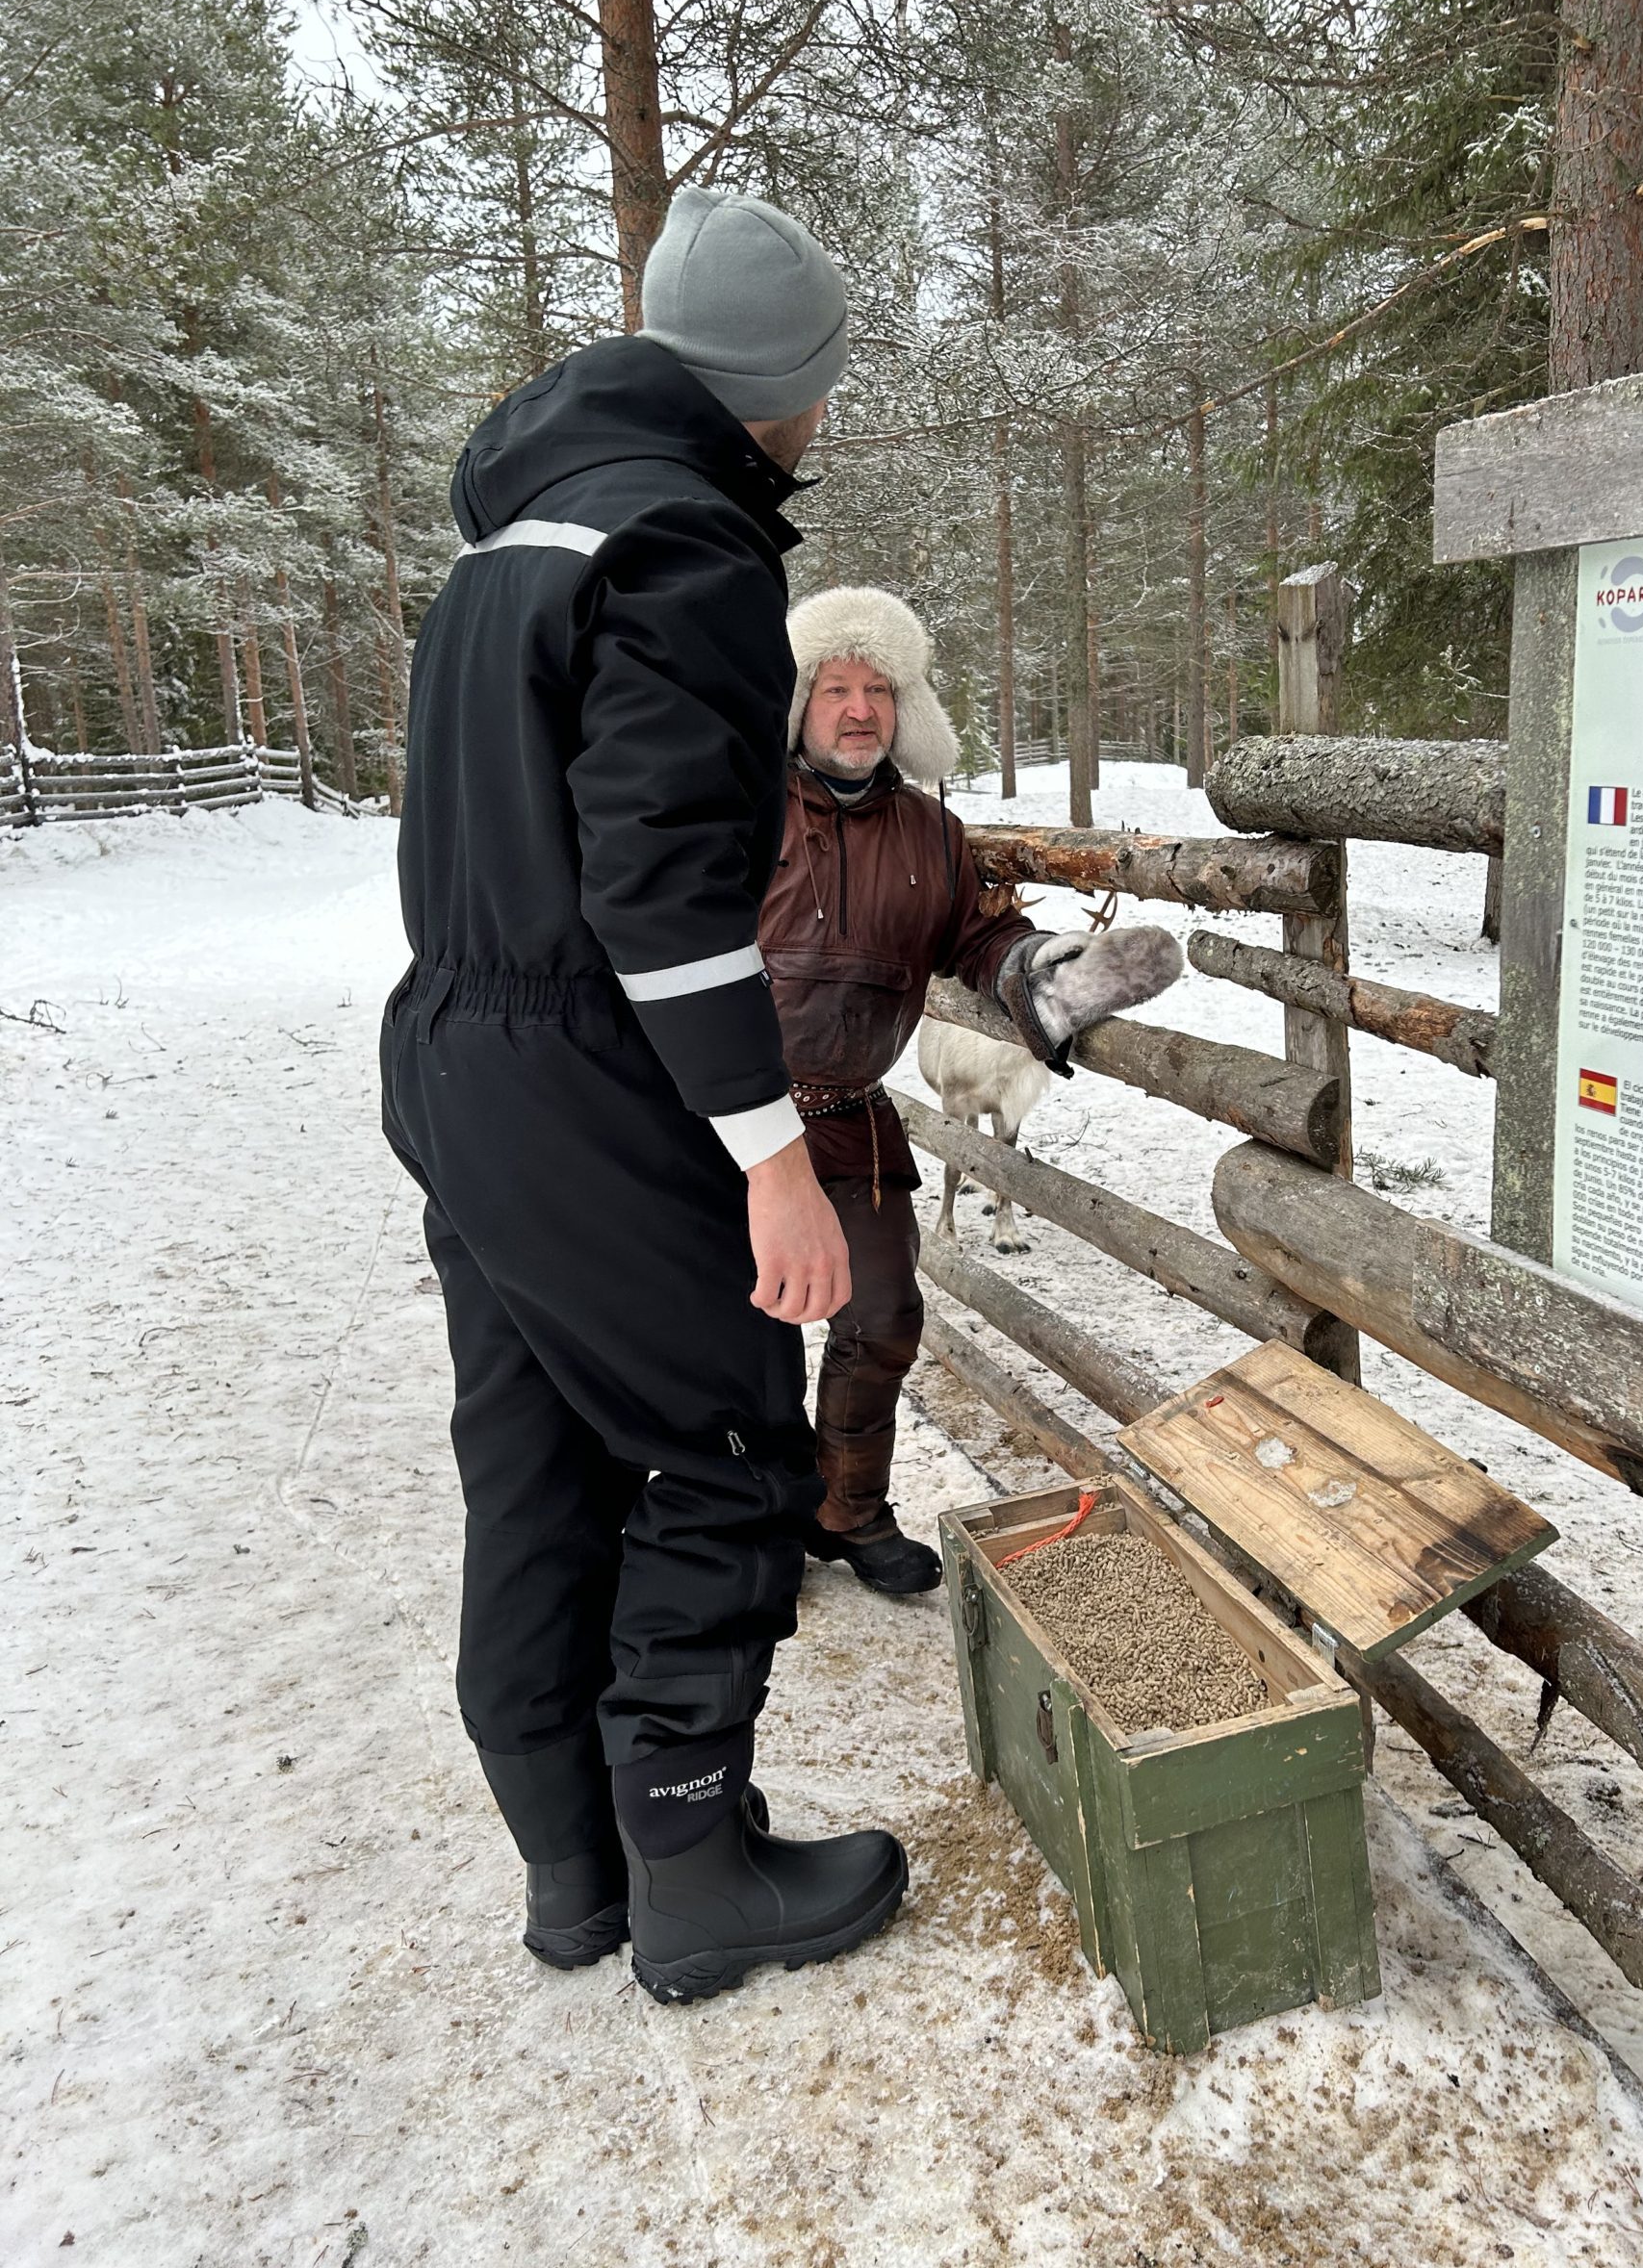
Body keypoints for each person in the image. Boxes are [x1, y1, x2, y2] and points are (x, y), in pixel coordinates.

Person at [380, 189, 907, 2005]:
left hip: (458, 1055)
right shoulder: (684, 541)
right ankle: (692, 1862)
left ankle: (572, 1870)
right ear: (786, 391)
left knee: (531, 1454)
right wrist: (773, 1157)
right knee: (724, 1433)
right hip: (589, 1066)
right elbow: (662, 889)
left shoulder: (511, 534)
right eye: (822, 389)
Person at [761, 587, 1182, 1593]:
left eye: (880, 689)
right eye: (837, 688)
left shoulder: (932, 834)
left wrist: (1047, 967)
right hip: (732, 1118)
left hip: (848, 1116)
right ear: (800, 703)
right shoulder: (741, 808)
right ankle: (748, 1533)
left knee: (883, 1318)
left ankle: (847, 1510)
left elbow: (978, 934)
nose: (860, 709)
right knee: (737, 1334)